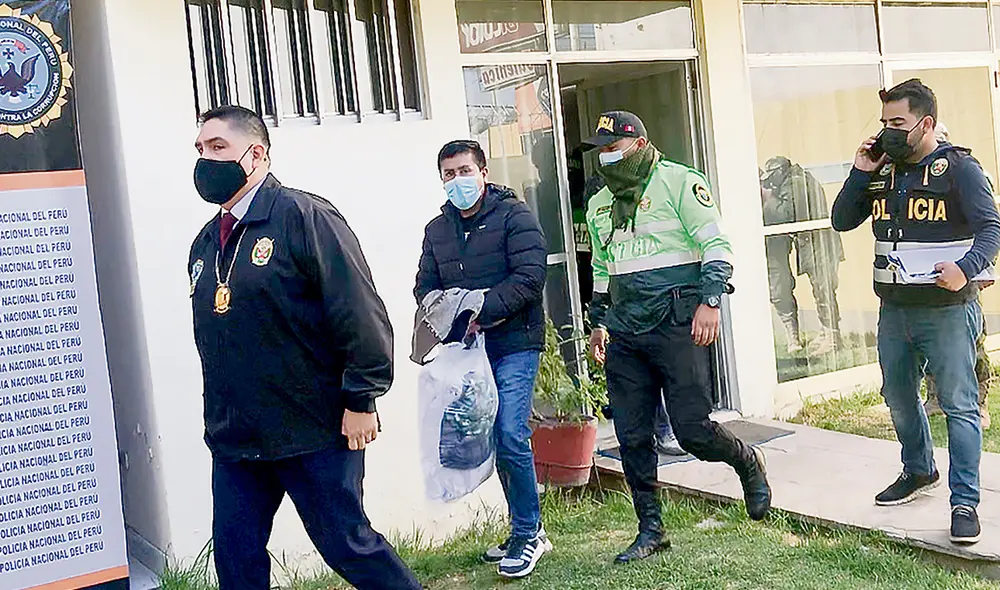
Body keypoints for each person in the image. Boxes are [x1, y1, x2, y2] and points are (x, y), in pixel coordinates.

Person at [188, 106, 422, 589]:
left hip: (312, 427)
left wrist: (362, 398)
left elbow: (358, 312)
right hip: (237, 438)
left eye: (218, 148)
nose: (205, 160)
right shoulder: (206, 244)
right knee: (236, 559)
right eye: (200, 149)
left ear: (256, 156)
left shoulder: (304, 217)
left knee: (346, 545)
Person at [583, 110, 772, 564]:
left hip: (675, 323)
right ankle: (651, 529)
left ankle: (746, 460)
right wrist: (598, 322)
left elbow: (716, 245)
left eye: (613, 148)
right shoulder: (598, 204)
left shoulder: (680, 182)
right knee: (631, 436)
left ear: (640, 144)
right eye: (601, 151)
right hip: (626, 331)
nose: (606, 158)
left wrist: (711, 301)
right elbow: (604, 269)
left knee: (691, 431)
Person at [832, 80, 1000, 545]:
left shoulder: (959, 169)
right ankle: (918, 469)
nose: (887, 131)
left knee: (959, 406)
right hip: (894, 309)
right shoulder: (883, 169)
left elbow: (992, 229)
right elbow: (842, 219)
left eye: (897, 123)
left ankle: (964, 502)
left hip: (946, 309)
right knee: (898, 397)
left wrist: (965, 269)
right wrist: (861, 171)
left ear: (925, 123)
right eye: (883, 122)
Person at [414, 140, 551, 579]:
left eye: (465, 170)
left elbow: (530, 277)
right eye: (449, 174)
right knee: (490, 436)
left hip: (515, 342)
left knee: (511, 431)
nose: (459, 181)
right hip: (469, 352)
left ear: (484, 171)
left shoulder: (515, 216)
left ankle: (529, 535)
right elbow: (425, 287)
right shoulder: (437, 230)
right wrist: (455, 320)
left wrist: (481, 310)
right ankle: (525, 528)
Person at [923, 122, 993, 430]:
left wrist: (981, 270)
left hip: (966, 277)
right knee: (930, 346)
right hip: (928, 279)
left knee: (973, 346)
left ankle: (979, 404)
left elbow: (989, 227)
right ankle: (935, 396)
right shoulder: (918, 177)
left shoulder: (969, 173)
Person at [760, 157, 845, 355]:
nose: (771, 182)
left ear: (780, 171)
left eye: (772, 177)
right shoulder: (799, 179)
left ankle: (832, 336)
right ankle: (827, 332)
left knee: (824, 290)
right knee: (821, 290)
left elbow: (786, 214)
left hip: (819, 245)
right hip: (815, 245)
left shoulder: (796, 182)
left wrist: (767, 197)